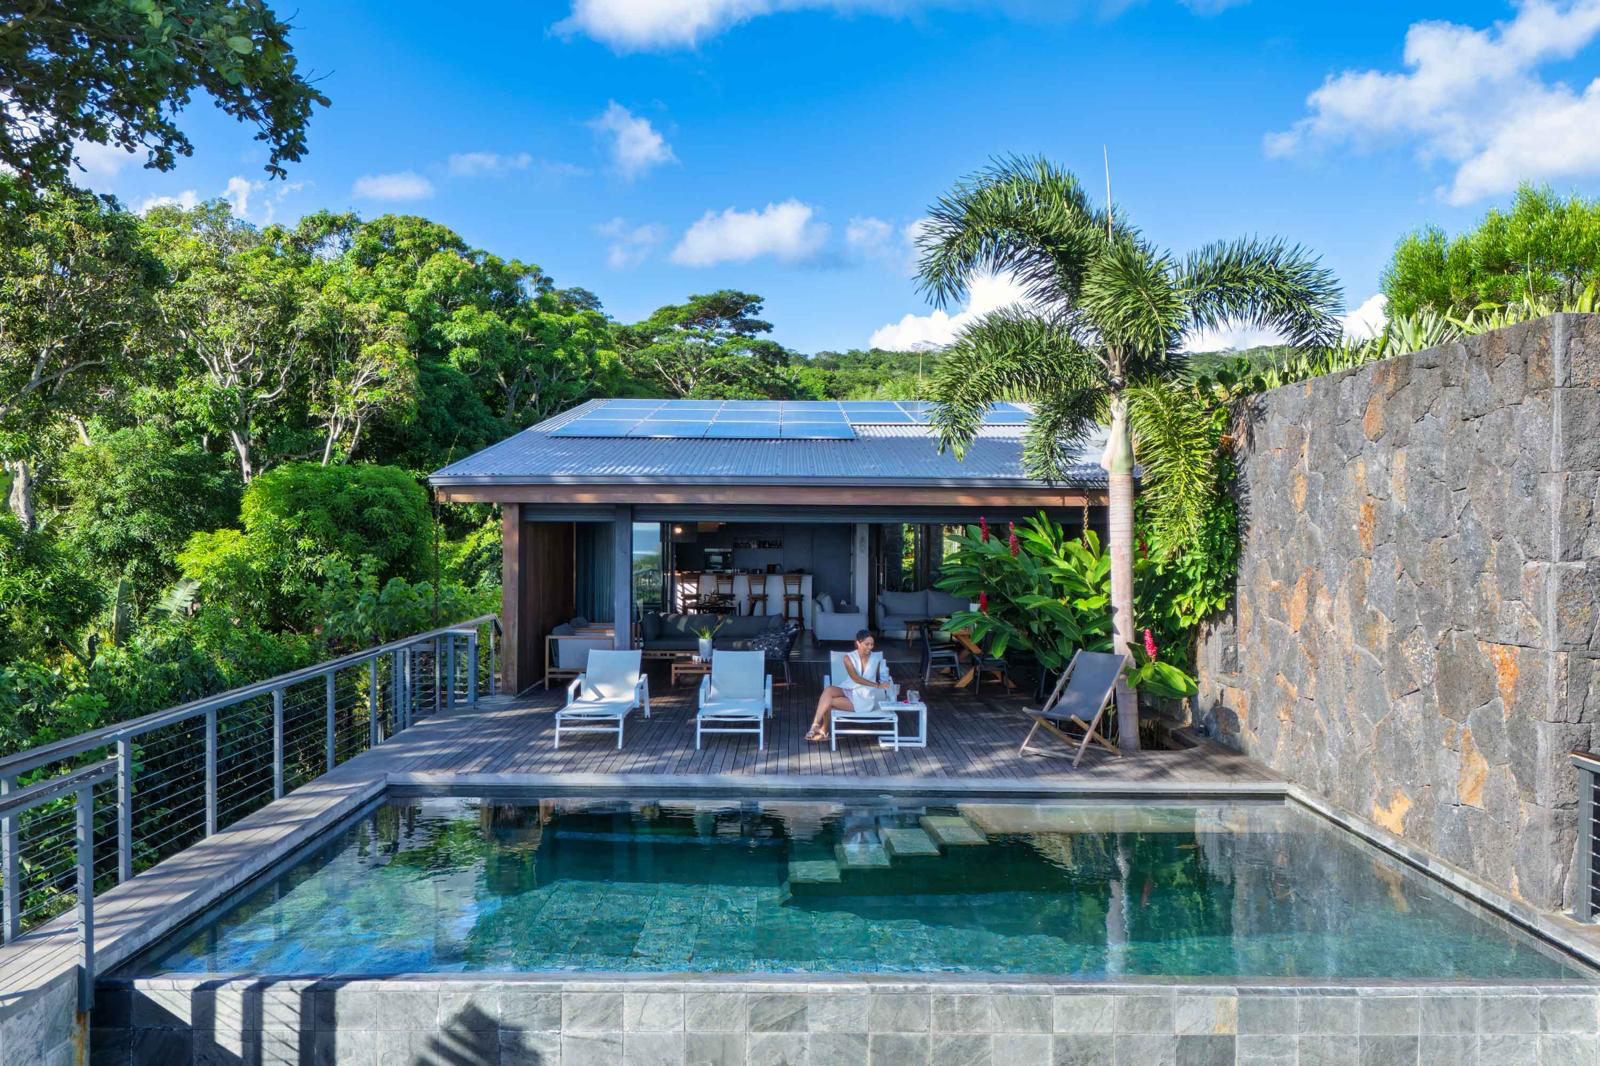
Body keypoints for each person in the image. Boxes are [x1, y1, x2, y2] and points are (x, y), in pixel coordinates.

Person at [807, 629, 892, 742]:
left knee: (828, 702)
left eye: (872, 644)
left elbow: (881, 676)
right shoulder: (848, 657)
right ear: (858, 643)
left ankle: (823, 729)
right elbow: (855, 678)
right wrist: (877, 686)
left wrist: (884, 681)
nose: (870, 647)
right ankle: (815, 725)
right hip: (849, 689)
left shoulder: (876, 659)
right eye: (867, 644)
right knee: (828, 690)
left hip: (863, 699)